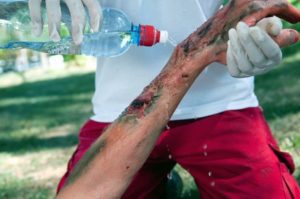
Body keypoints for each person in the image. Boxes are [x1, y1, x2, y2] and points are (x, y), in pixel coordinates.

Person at [29, 0, 300, 198]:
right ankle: (160, 182)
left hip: (219, 102)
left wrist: (256, 27)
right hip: (120, 109)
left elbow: (249, 5)